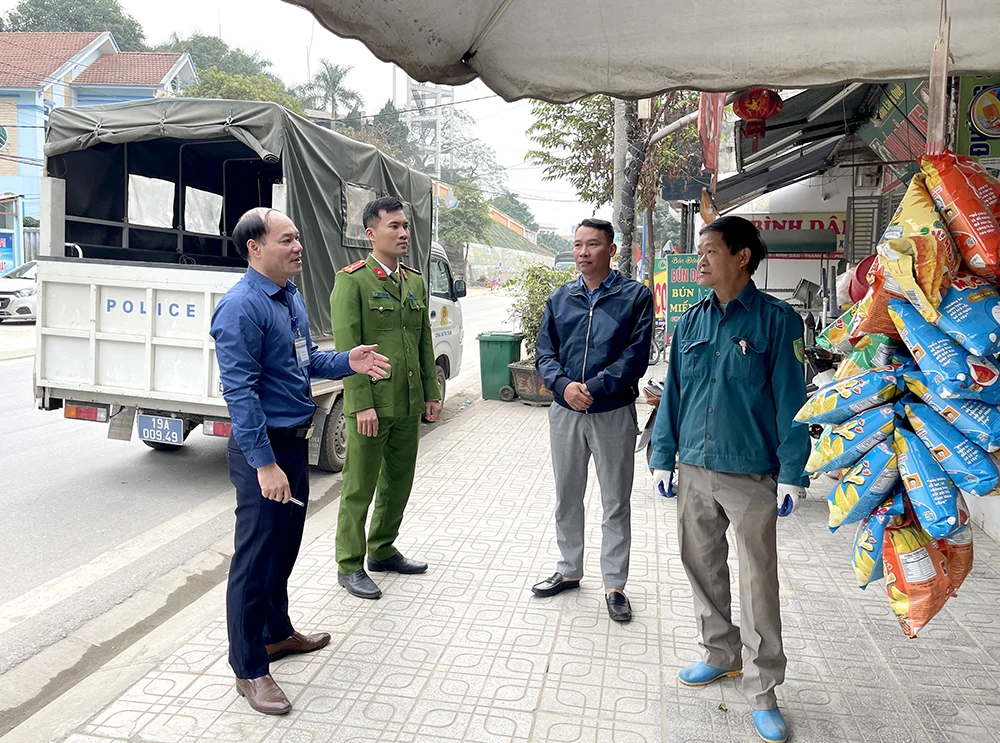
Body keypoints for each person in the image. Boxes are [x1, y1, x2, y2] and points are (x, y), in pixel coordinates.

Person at [211, 208, 391, 715]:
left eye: (297, 237)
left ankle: (276, 634)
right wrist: (265, 465)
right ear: (254, 247)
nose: (298, 247)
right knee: (254, 560)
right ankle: (249, 668)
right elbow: (240, 394)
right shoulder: (241, 307)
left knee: (284, 548)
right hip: (263, 451)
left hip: (292, 442)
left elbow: (305, 361)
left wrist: (347, 360)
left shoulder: (287, 295)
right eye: (286, 239)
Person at [649, 216, 810, 743]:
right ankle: (720, 655)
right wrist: (661, 455)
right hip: (694, 466)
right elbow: (674, 394)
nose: (699, 261)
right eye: (699, 252)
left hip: (750, 473)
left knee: (758, 579)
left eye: (709, 251)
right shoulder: (691, 322)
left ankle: (763, 689)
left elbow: (792, 400)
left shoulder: (776, 321)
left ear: (742, 257)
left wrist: (793, 471)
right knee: (701, 567)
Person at [531, 218, 654, 622]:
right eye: (578, 244)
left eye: (593, 245)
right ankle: (569, 570)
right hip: (565, 412)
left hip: (612, 412)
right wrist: (564, 386)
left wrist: (595, 388)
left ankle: (614, 583)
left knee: (615, 500)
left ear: (611, 250)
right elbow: (544, 353)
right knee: (567, 495)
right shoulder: (560, 298)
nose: (583, 252)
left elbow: (635, 357)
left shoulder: (634, 297)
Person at [330, 196, 441, 600]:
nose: (403, 233)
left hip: (407, 402)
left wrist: (431, 392)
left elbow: (423, 341)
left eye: (405, 225)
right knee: (359, 486)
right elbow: (348, 349)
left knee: (399, 482)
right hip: (372, 406)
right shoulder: (353, 281)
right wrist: (361, 404)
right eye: (394, 226)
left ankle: (382, 549)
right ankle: (349, 564)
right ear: (370, 233)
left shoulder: (414, 281)